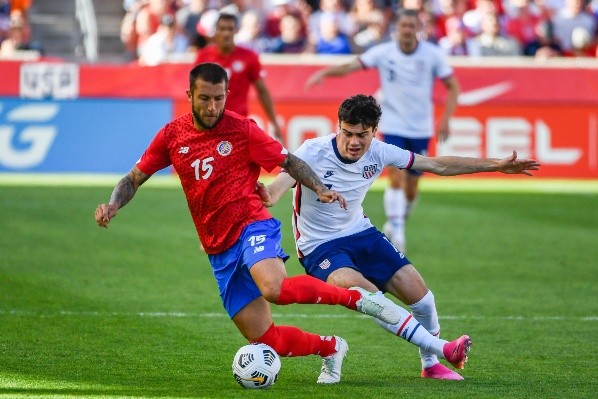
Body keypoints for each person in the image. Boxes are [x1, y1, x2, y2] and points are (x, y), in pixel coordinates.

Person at [94, 63, 412, 385]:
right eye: (204, 98)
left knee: (274, 288)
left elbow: (290, 161)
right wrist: (113, 204)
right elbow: (134, 178)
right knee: (266, 340)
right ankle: (330, 347)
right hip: (217, 248)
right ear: (190, 94)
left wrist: (318, 187)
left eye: (219, 98)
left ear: (227, 95)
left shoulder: (242, 129)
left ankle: (357, 298)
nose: (212, 107)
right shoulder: (172, 135)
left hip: (251, 225)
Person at [257, 94, 541, 380]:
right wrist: (270, 194)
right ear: (338, 126)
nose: (354, 142)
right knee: (372, 299)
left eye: (362, 135)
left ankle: (431, 365)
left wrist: (495, 165)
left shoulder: (380, 152)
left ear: (374, 131)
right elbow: (282, 183)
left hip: (361, 233)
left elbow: (437, 165)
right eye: (348, 133)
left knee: (423, 299)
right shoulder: (312, 151)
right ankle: (444, 349)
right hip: (319, 248)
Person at [305, 8, 460, 253]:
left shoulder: (433, 55)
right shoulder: (383, 52)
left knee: (411, 187)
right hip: (393, 123)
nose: (407, 30)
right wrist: (324, 72)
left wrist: (446, 119)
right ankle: (397, 231)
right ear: (396, 29)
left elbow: (453, 86)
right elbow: (351, 66)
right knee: (397, 174)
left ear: (417, 29)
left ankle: (397, 221)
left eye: (411, 26)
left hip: (421, 127)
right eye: (403, 26)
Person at [194, 13, 282, 140]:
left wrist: (274, 122)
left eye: (230, 29)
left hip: (237, 125)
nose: (226, 33)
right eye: (222, 29)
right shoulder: (204, 57)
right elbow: (197, 92)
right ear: (216, 31)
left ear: (236, 31)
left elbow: (262, 91)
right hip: (210, 124)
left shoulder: (249, 57)